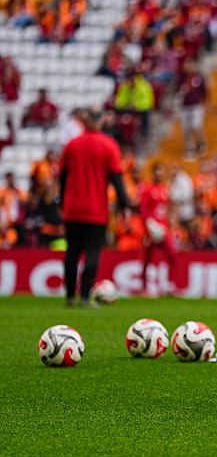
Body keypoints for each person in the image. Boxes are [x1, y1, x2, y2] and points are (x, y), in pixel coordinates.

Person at [60, 107, 128, 308]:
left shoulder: (72, 145)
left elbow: (62, 177)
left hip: (72, 208)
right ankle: (84, 297)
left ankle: (70, 296)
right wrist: (125, 205)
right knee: (92, 252)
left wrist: (62, 202)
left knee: (72, 252)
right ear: (102, 121)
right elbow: (117, 179)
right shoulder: (109, 146)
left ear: (85, 119)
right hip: (96, 210)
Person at [139, 162, 175, 298]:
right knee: (148, 258)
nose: (159, 174)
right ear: (153, 173)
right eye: (157, 171)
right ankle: (144, 288)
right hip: (151, 228)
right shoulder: (148, 188)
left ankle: (169, 287)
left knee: (172, 256)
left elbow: (165, 209)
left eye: (161, 171)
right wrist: (149, 225)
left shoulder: (165, 189)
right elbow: (143, 209)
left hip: (163, 229)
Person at [180, 59, 208, 159]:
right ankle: (190, 148)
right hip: (185, 105)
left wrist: (206, 104)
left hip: (196, 105)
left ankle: (201, 143)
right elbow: (177, 89)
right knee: (185, 128)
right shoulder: (182, 77)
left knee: (196, 125)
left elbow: (204, 91)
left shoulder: (198, 77)